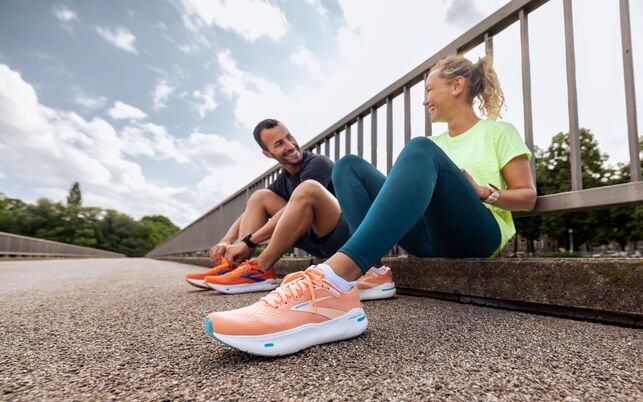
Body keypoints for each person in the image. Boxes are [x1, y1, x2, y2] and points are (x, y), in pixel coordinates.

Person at [202, 54, 537, 356]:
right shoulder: (436, 143)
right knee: (348, 164)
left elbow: (527, 196)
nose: (424, 101)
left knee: (419, 149)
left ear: (457, 86)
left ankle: (334, 282)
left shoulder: (497, 132)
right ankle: (372, 271)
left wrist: (484, 193)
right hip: (427, 239)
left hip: (478, 235)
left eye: (430, 90)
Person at [185, 119, 396, 299]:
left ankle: (263, 267)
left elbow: (300, 200)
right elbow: (250, 211)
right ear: (268, 153)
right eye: (279, 143)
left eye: (289, 137)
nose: (289, 145)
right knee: (260, 197)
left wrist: (250, 240)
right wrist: (228, 241)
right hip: (313, 240)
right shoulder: (283, 180)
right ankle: (239, 266)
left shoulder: (317, 163)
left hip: (342, 236)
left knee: (308, 189)